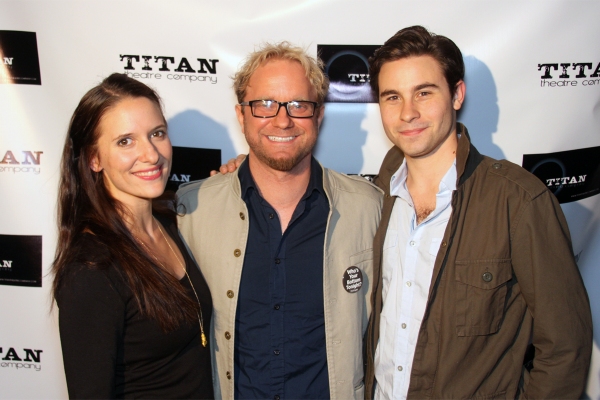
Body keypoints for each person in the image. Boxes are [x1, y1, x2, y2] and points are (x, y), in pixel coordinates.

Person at [363, 26, 592, 399]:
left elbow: (566, 346)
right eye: (393, 97)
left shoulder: (518, 202)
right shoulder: (375, 195)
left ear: (456, 95)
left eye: (424, 92)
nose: (408, 112)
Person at [177, 42, 382, 400]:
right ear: (242, 116)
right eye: (265, 104)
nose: (282, 119)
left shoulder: (369, 209)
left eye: (299, 105)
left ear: (319, 116)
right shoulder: (192, 211)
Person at [52, 73, 213, 399]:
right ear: (94, 159)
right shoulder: (92, 267)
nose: (151, 155)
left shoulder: (170, 226)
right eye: (125, 141)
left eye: (157, 133)